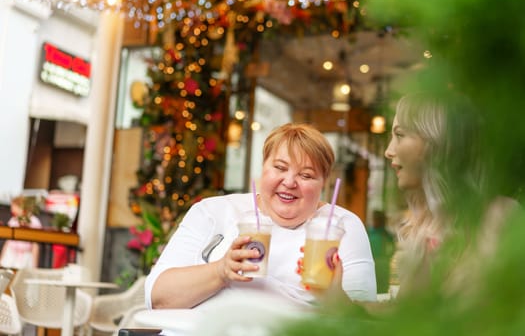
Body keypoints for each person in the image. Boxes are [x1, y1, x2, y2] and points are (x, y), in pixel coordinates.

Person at [145, 123, 377, 309]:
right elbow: (158, 298)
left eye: (306, 175)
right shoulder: (213, 212)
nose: (289, 182)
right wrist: (221, 271)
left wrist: (335, 299)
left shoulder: (342, 226)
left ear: (323, 184)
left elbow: (362, 326)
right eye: (280, 167)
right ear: (263, 168)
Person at [383, 91, 519, 296]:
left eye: (400, 135)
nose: (389, 150)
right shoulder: (423, 226)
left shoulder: (503, 217)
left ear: (438, 143)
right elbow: (410, 317)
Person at [0, 196, 43, 269]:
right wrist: (1, 258)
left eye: (13, 206)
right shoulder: (13, 220)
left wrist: (34, 265)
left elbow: (35, 245)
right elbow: (8, 241)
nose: (12, 209)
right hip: (11, 255)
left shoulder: (34, 222)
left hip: (26, 257)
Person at [367, 210, 395, 294]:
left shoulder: (385, 234)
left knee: (382, 285)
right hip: (371, 261)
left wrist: (388, 256)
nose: (375, 221)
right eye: (373, 219)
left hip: (382, 262)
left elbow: (393, 247)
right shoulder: (368, 232)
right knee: (372, 284)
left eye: (377, 219)